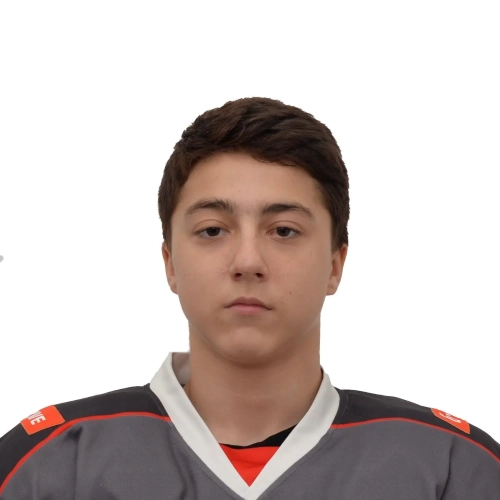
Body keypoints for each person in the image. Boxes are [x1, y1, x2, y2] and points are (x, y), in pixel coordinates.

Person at [0, 97, 498, 499]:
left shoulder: (452, 469)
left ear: (335, 264)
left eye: (283, 230)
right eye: (213, 230)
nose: (247, 260)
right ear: (170, 263)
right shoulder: (51, 464)